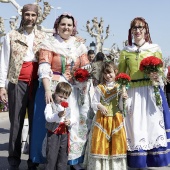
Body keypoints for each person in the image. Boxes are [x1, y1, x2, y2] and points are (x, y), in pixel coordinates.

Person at [30, 13, 91, 170]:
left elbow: (85, 67)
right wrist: (47, 90)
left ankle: (73, 160)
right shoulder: (49, 43)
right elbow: (44, 67)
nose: (66, 28)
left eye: (69, 25)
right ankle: (46, 159)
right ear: (57, 26)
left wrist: (82, 78)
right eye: (63, 24)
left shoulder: (79, 45)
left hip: (74, 89)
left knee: (75, 123)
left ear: (73, 28)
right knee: (50, 122)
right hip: (54, 87)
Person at [118, 17, 170, 169]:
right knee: (136, 127)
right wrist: (122, 90)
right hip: (133, 92)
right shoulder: (126, 52)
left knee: (152, 126)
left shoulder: (154, 48)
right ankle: (138, 162)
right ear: (131, 31)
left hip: (150, 90)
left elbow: (160, 70)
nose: (138, 30)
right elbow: (121, 75)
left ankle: (154, 160)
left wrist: (156, 75)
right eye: (135, 28)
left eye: (141, 27)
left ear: (146, 30)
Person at [0, 4, 46, 170]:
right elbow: (4, 62)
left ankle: (33, 161)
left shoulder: (43, 37)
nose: (30, 18)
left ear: (37, 17)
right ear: (22, 15)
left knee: (36, 123)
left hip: (37, 85)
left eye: (33, 15)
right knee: (16, 123)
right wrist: (1, 86)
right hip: (16, 83)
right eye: (27, 14)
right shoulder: (10, 36)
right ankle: (13, 160)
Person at [84, 61, 127, 170]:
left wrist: (123, 97)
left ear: (115, 72)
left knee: (116, 143)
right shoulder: (100, 87)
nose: (108, 75)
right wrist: (100, 106)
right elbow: (94, 102)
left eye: (110, 72)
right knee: (100, 142)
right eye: (105, 73)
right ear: (102, 74)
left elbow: (122, 107)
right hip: (101, 120)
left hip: (116, 119)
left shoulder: (120, 87)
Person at [44, 82, 72, 170]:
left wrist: (70, 121)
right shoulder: (50, 105)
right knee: (51, 157)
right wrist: (58, 115)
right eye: (60, 96)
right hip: (53, 134)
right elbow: (48, 117)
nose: (62, 99)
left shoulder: (67, 107)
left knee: (63, 157)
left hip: (64, 134)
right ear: (55, 93)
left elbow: (72, 117)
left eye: (65, 98)